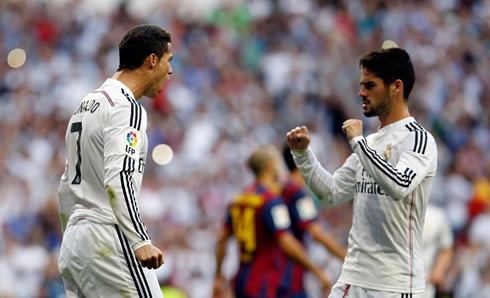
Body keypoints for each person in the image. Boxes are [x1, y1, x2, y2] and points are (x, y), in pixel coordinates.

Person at [286, 47, 438, 297]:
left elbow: (399, 185)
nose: (361, 92)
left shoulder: (419, 140)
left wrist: (358, 143)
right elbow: (331, 193)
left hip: (394, 285)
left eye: (370, 85)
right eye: (361, 84)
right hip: (352, 279)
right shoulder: (372, 142)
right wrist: (303, 155)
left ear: (396, 86)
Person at [57, 24, 173, 297]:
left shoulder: (86, 105)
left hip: (76, 241)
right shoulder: (126, 107)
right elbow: (119, 176)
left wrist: (71, 237)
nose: (170, 71)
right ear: (152, 60)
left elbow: (66, 182)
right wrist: (140, 239)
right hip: (108, 236)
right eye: (169, 61)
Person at [214, 146, 331, 298]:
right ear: (270, 165)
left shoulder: (238, 200)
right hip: (262, 282)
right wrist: (317, 271)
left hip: (240, 279)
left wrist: (218, 275)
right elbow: (287, 242)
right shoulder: (272, 201)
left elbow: (222, 241)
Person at [278, 144, 347, 297]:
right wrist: (346, 257)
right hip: (289, 276)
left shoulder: (279, 188)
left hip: (273, 273)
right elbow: (316, 233)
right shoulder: (297, 193)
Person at [422, 204, 453, 298]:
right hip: (392, 280)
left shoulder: (437, 216)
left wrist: (437, 271)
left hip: (425, 281)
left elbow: (447, 248)